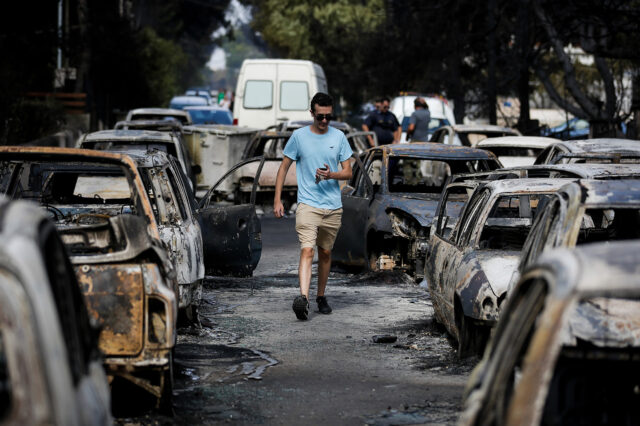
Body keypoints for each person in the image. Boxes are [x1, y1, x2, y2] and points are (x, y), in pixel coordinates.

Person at [273, 92, 353, 320]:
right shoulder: (298, 137)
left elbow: (348, 172)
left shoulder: (338, 137)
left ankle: (320, 296)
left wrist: (332, 175)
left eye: (328, 116)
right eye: (320, 116)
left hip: (332, 206)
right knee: (307, 250)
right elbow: (283, 168)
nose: (325, 121)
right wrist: (277, 199)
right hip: (308, 204)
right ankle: (303, 298)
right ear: (312, 113)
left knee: (325, 253)